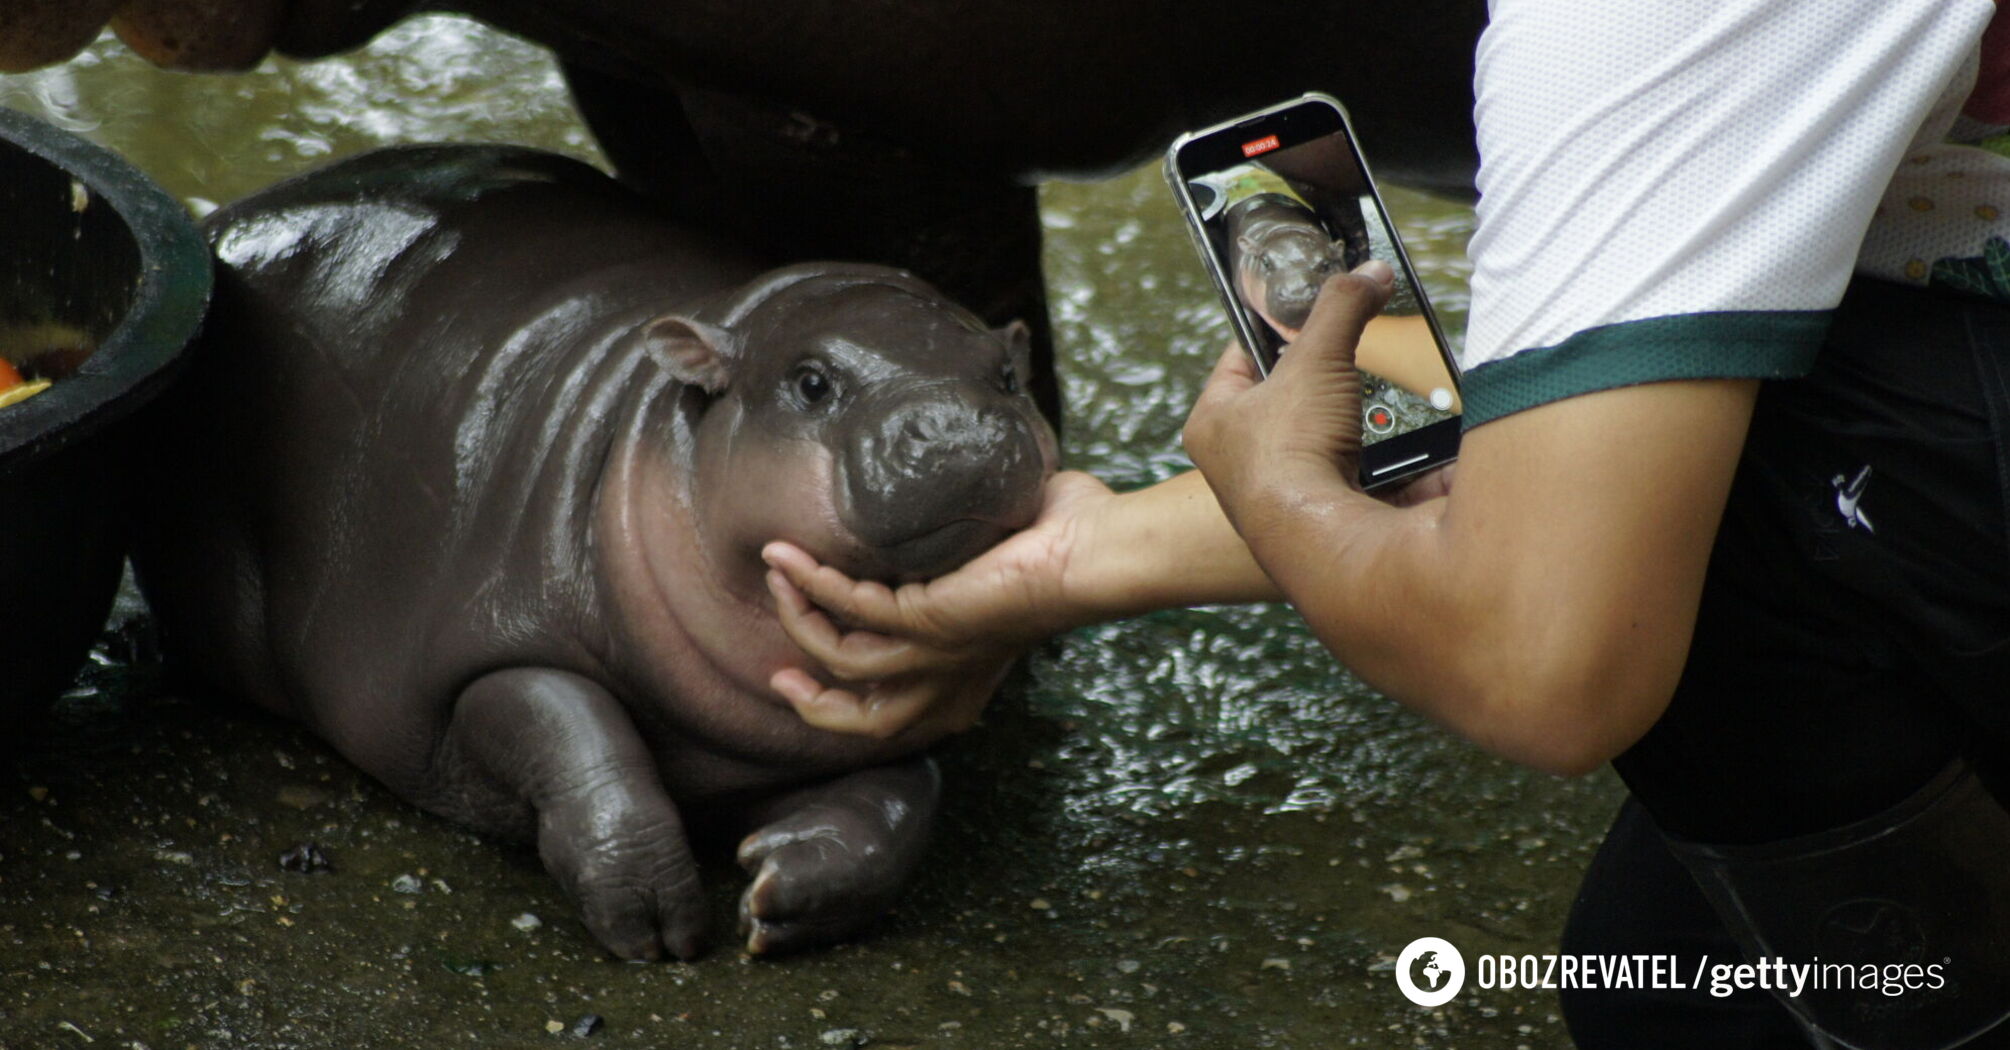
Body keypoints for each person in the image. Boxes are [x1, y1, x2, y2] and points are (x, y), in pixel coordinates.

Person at [761, 2, 2010, 1045]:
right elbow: (1568, 473)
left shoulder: (1632, 28)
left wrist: (1279, 487)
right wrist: (1082, 556)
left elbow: (1543, 659)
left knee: (1734, 486)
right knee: (1653, 981)